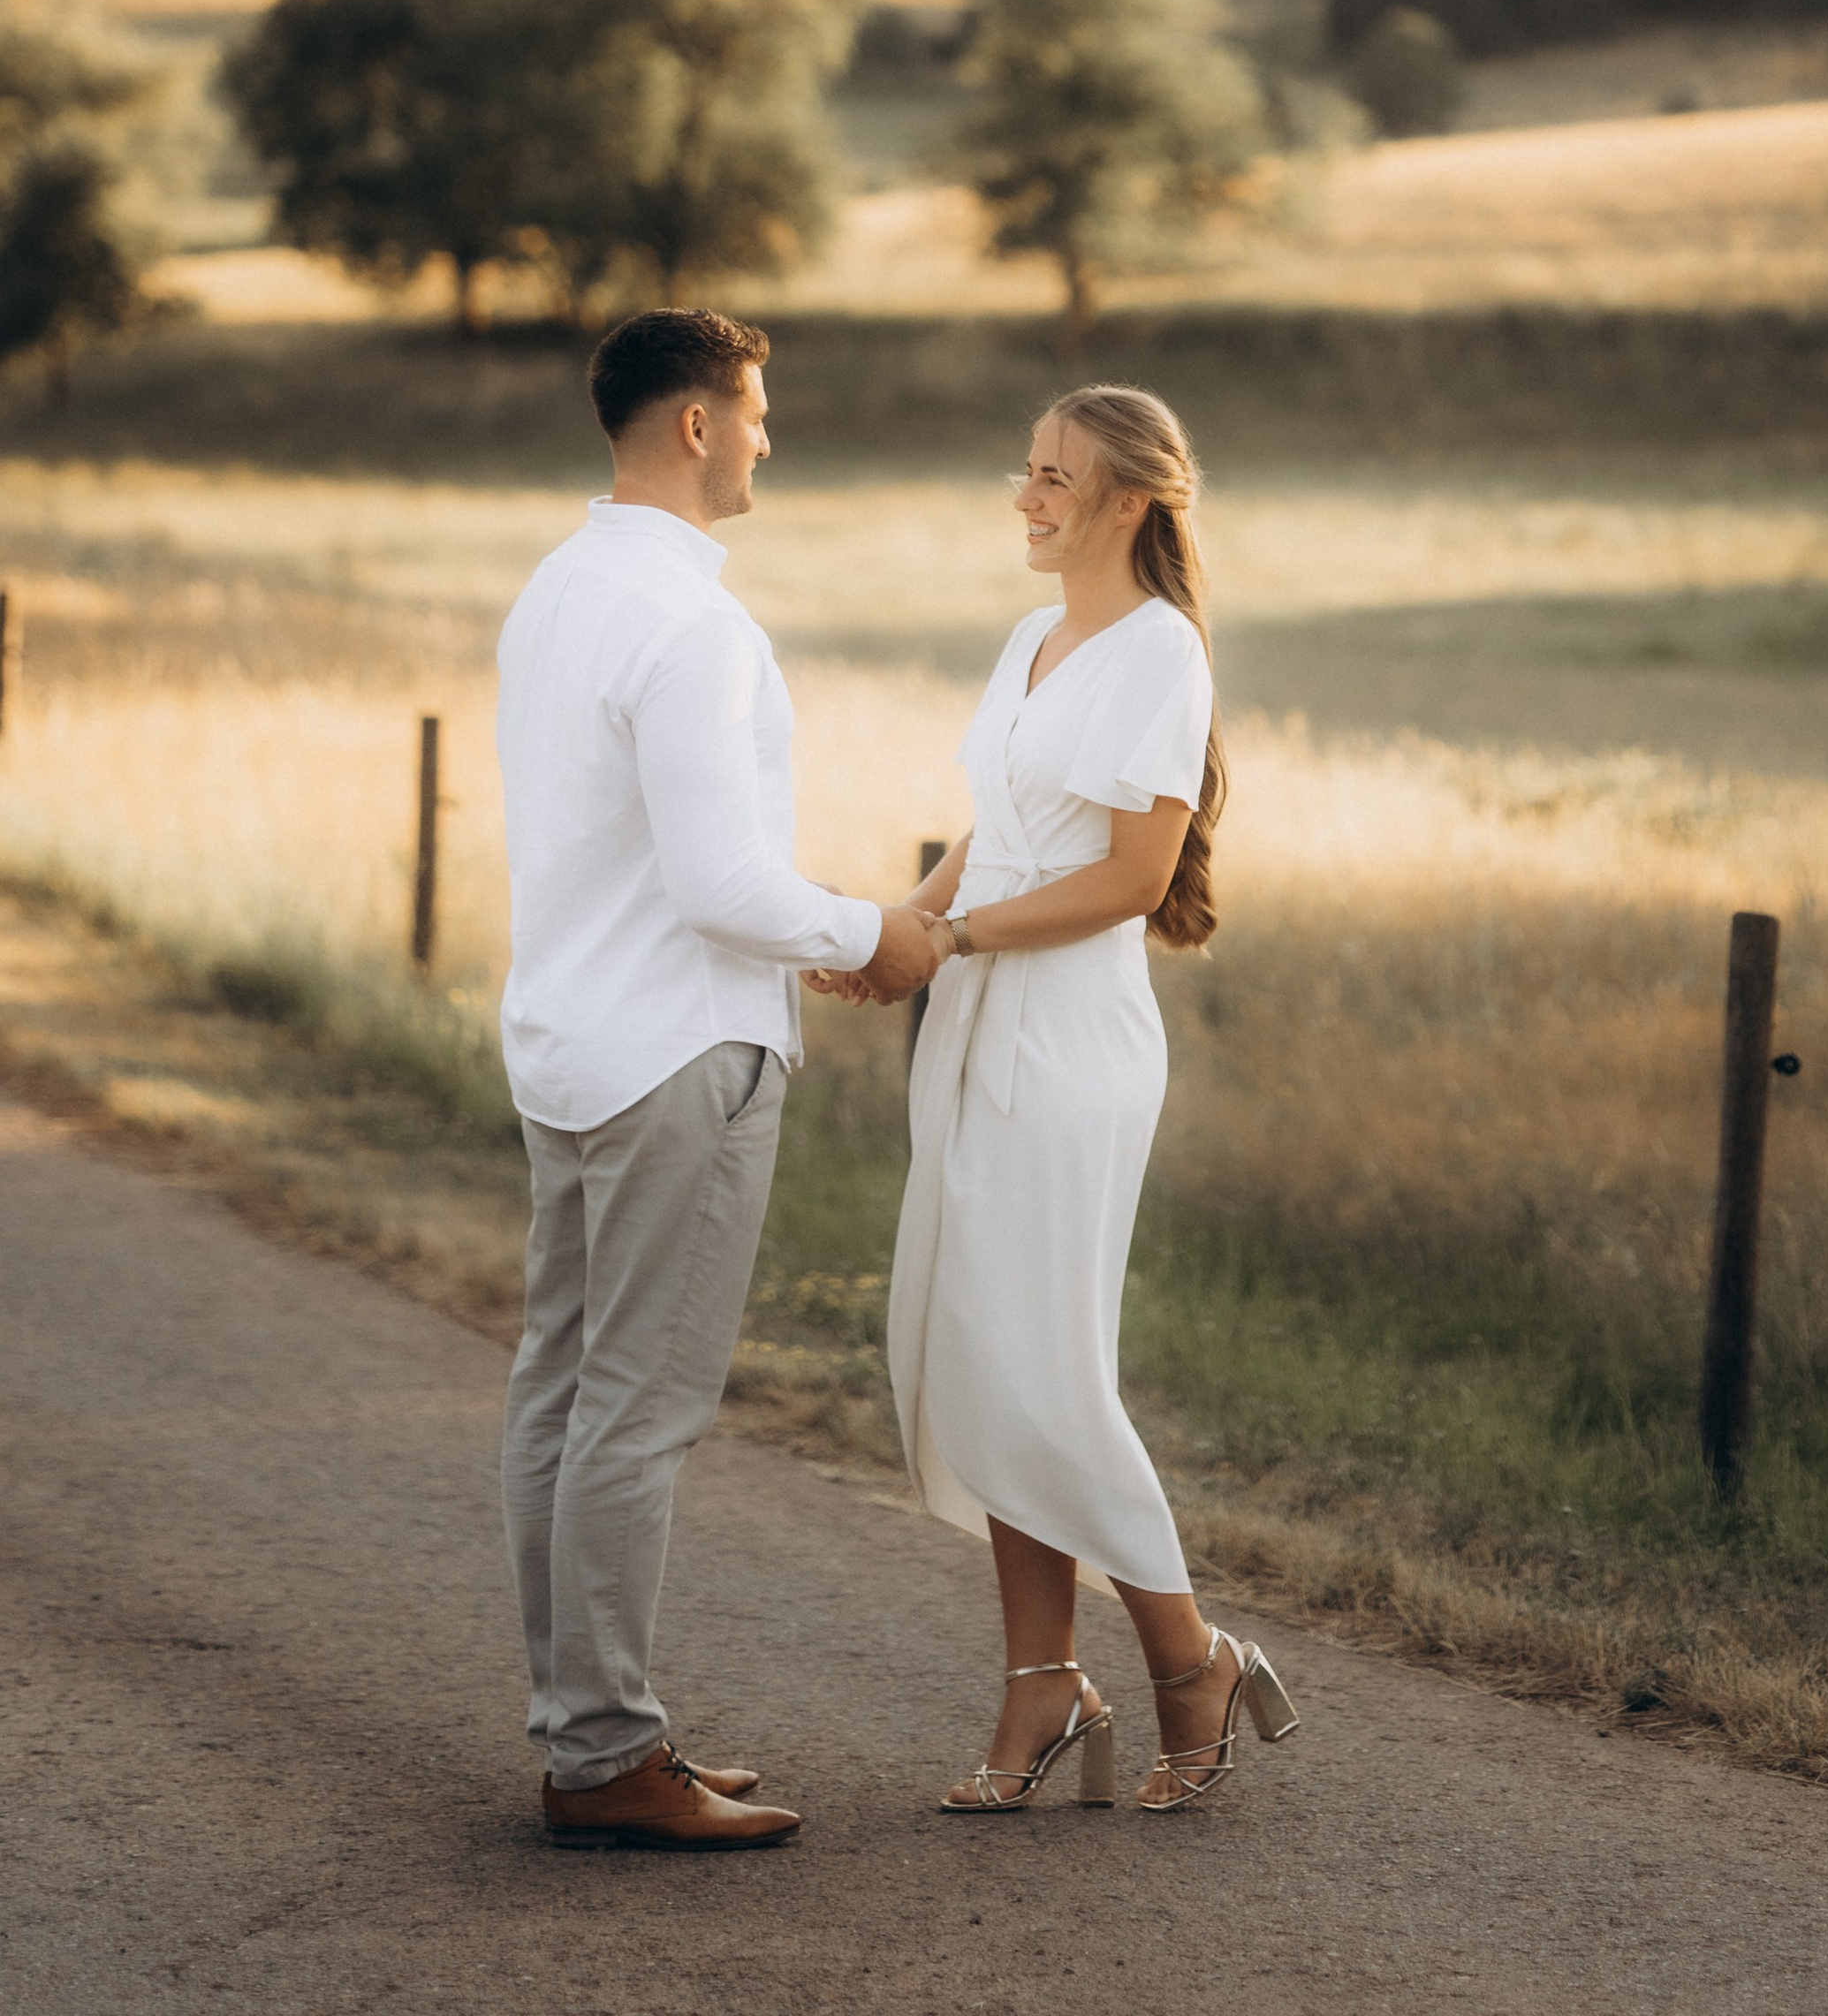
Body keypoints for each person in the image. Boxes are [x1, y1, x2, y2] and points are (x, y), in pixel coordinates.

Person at [495, 307, 937, 1850]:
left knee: (560, 1392)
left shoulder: (557, 589)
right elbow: (717, 885)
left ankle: (584, 1730)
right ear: (694, 424)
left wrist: (796, 931)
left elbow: (637, 853)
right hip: (679, 1054)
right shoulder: (691, 624)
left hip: (570, 1044)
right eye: (754, 410)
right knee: (632, 1410)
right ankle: (608, 1753)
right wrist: (873, 933)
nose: (766, 437)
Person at [829, 383, 1298, 1815]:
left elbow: (1132, 881)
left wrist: (954, 940)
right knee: (982, 1357)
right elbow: (1002, 830)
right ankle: (1043, 1682)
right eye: (1025, 471)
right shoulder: (1033, 640)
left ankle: (1188, 1658)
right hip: (978, 1023)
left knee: (1045, 1368)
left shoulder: (1160, 652)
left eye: (1054, 477)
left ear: (1130, 500)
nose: (1026, 498)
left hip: (1072, 1042)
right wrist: (901, 931)